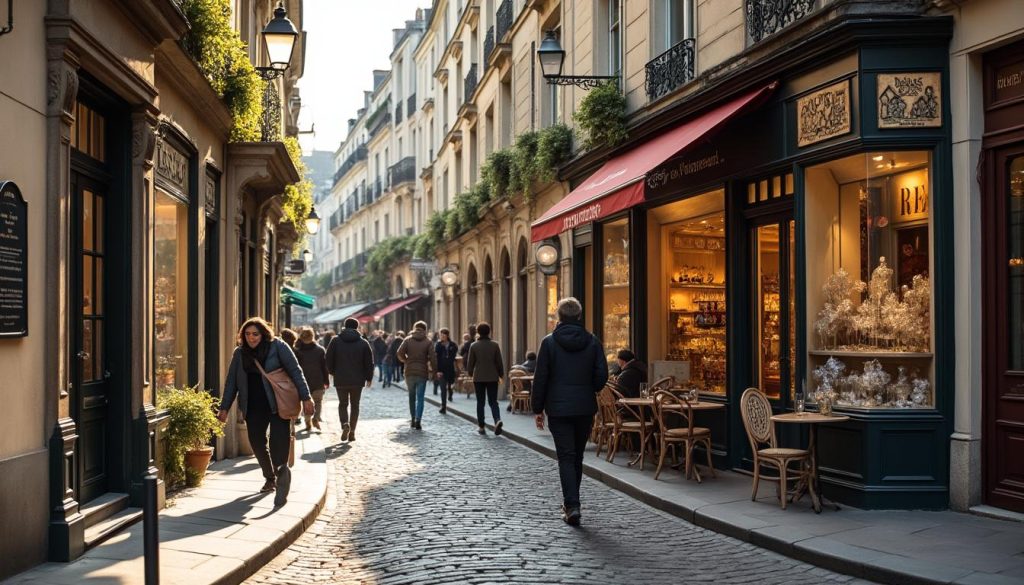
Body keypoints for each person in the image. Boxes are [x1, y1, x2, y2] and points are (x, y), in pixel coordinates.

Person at [218, 317, 313, 507]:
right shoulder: (240, 354)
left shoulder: (278, 346)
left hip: (278, 403)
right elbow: (232, 383)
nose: (251, 338)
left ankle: (281, 472)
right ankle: (270, 477)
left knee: (278, 441)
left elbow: (296, 372)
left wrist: (306, 396)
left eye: (255, 334)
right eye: (247, 334)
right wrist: (224, 408)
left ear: (263, 333)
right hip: (253, 406)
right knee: (257, 442)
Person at [532, 298, 608, 526]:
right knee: (577, 456)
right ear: (579, 316)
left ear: (559, 317)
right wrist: (590, 388)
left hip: (558, 407)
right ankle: (572, 502)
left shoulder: (549, 343)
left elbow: (541, 378)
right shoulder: (593, 341)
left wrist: (537, 408)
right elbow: (602, 375)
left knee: (566, 456)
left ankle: (572, 505)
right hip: (584, 407)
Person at [326, 318, 374, 442]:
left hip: (340, 378)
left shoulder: (335, 341)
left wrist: (332, 371)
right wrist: (369, 377)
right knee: (355, 405)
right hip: (357, 380)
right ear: (357, 327)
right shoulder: (363, 343)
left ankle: (344, 424)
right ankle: (352, 431)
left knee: (343, 404)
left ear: (344, 326)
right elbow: (369, 362)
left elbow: (328, 358)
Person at [397, 321, 437, 430]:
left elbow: (399, 353)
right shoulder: (428, 342)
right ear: (425, 329)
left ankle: (413, 418)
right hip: (422, 372)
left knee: (411, 396)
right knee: (420, 397)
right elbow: (433, 358)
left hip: (409, 371)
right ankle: (418, 419)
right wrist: (434, 371)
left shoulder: (408, 339)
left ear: (415, 328)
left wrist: (406, 360)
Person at [467, 322, 504, 436]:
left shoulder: (474, 346)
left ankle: (481, 426)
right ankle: (497, 419)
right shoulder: (495, 345)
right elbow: (499, 362)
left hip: (478, 377)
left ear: (478, 332)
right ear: (489, 332)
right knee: (493, 401)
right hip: (492, 377)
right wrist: (501, 374)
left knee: (480, 402)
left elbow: (470, 364)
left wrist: (470, 373)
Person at [294, 327, 329, 431]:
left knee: (305, 402)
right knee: (318, 402)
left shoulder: (297, 351)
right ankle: (316, 418)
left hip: (303, 381)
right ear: (313, 336)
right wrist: (326, 381)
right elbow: (324, 367)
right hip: (318, 380)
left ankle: (307, 422)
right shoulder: (320, 350)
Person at [435, 328, 459, 414]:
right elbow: (436, 357)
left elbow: (454, 354)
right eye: (441, 335)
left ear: (447, 335)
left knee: (450, 384)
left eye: (444, 335)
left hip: (450, 369)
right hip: (441, 369)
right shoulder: (438, 345)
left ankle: (450, 394)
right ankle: (443, 406)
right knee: (442, 388)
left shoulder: (453, 345)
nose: (442, 337)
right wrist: (437, 370)